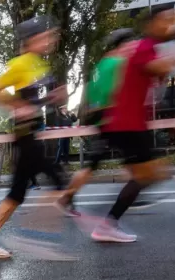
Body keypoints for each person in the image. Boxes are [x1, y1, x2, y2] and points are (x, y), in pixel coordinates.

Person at [0, 16, 67, 258]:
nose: (48, 41)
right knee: (56, 179)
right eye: (44, 37)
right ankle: (34, 237)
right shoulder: (22, 63)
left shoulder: (39, 65)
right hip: (24, 134)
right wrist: (16, 105)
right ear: (31, 39)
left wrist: (54, 97)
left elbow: (37, 100)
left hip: (31, 134)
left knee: (18, 193)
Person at [91, 6, 175, 242]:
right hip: (128, 125)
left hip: (128, 124)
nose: (169, 24)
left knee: (148, 175)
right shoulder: (144, 47)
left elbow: (158, 76)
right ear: (152, 24)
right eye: (166, 20)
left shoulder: (149, 48)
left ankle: (108, 219)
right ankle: (107, 222)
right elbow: (161, 67)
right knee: (149, 175)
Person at [57, 28, 135, 214]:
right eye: (130, 44)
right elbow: (116, 91)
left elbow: (91, 92)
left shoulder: (100, 66)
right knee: (136, 159)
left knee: (93, 165)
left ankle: (67, 196)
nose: (132, 49)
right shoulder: (119, 63)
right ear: (122, 45)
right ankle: (134, 191)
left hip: (101, 118)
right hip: (114, 117)